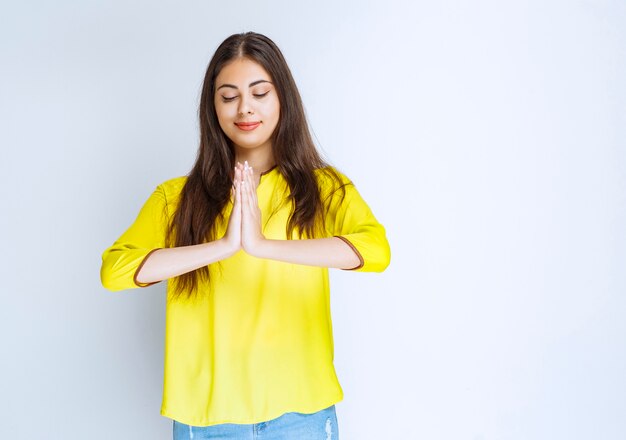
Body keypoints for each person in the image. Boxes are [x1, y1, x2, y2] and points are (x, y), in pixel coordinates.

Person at [100, 31, 391, 440]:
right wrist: (223, 247)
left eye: (259, 92)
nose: (245, 108)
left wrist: (264, 246)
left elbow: (375, 250)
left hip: (301, 414)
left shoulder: (323, 188)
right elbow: (115, 270)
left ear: (282, 98)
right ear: (213, 108)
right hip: (207, 421)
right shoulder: (176, 198)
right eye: (228, 96)